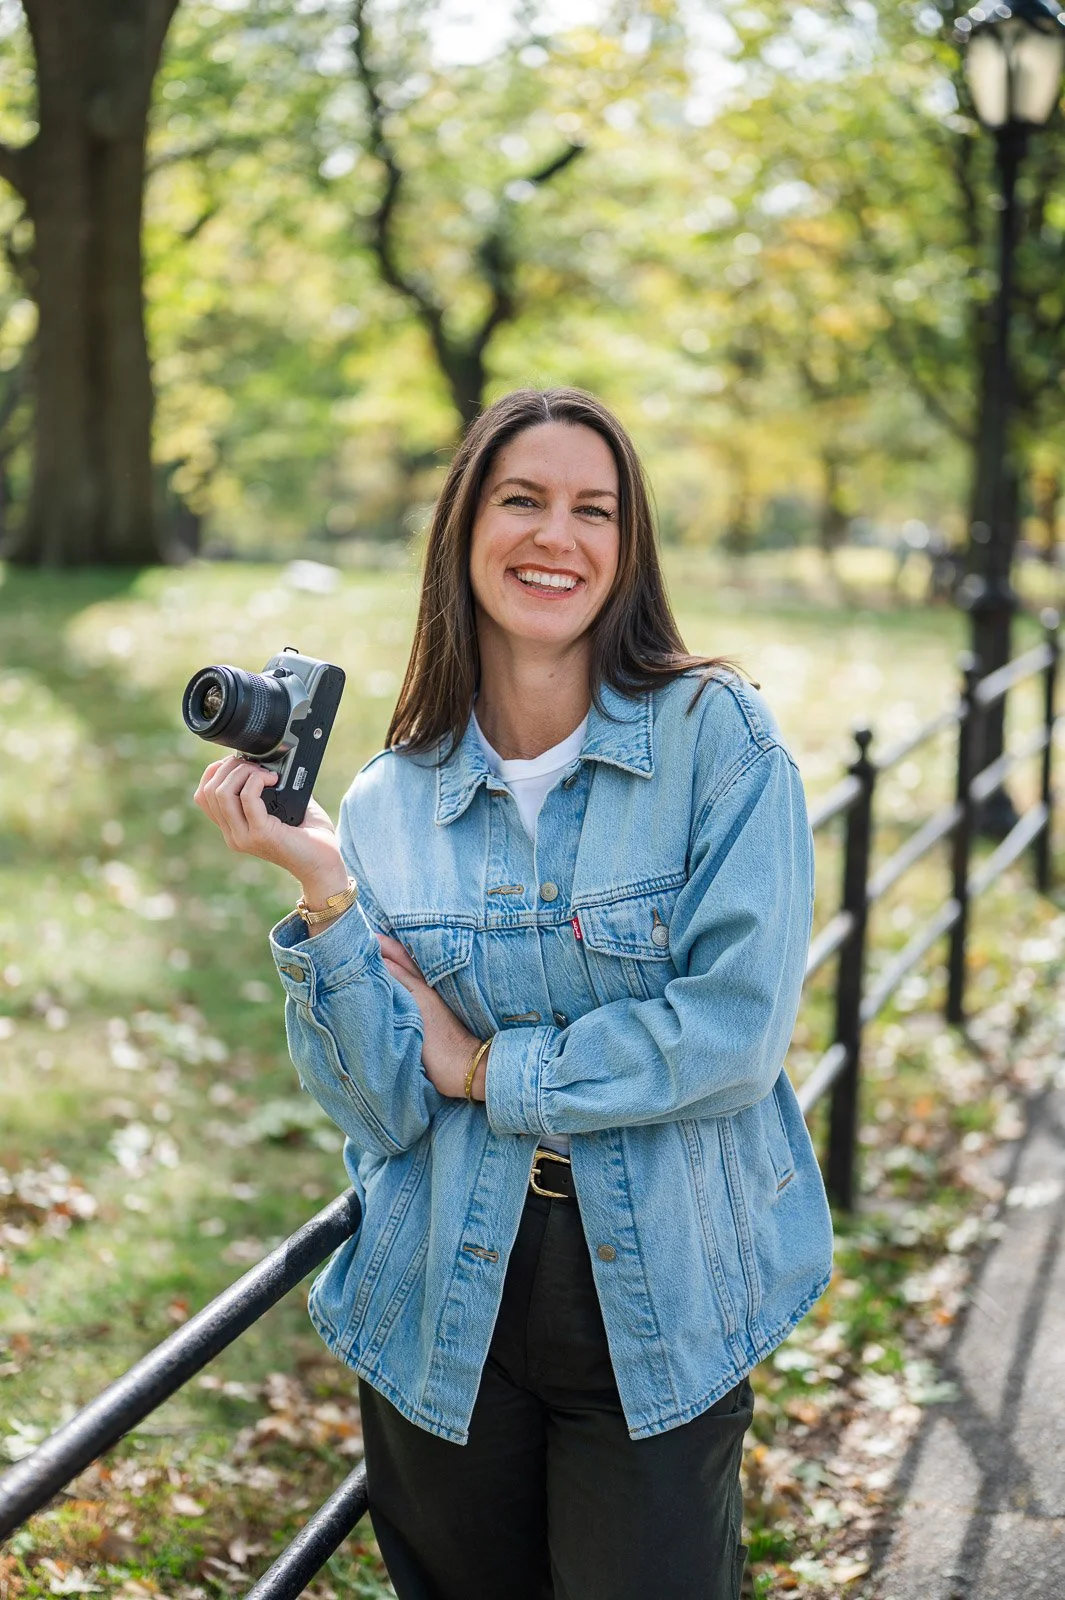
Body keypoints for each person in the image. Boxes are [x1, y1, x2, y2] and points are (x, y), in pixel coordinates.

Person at [194, 387, 833, 1600]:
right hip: (445, 1293)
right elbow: (382, 1110)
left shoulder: (718, 739)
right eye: (523, 500)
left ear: (628, 546)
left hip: (660, 1296)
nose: (560, 536)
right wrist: (324, 893)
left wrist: (490, 1069)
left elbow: (736, 1036)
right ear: (464, 528)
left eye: (595, 509)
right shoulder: (388, 799)